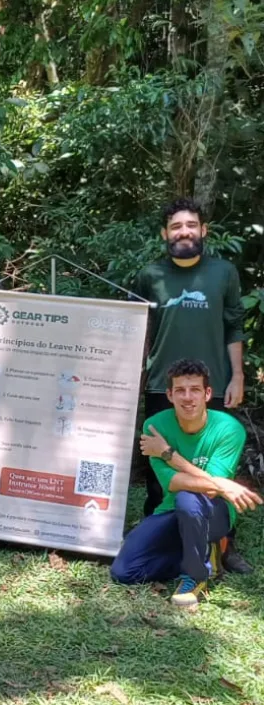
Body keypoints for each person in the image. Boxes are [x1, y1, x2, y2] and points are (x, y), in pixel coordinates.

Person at [133, 198, 249, 573]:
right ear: (165, 233)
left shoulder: (223, 273)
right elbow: (139, 331)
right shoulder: (150, 275)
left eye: (192, 225)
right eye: (177, 226)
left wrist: (237, 375)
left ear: (203, 231)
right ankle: (160, 530)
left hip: (209, 387)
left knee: (216, 469)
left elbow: (234, 325)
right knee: (157, 468)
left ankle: (223, 543)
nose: (184, 231)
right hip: (159, 385)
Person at [110, 359, 260, 608]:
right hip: (170, 509)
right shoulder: (155, 427)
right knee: (124, 571)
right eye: (180, 390)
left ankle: (196, 575)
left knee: (189, 498)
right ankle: (205, 553)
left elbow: (210, 489)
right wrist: (225, 485)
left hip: (213, 511)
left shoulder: (229, 429)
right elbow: (174, 482)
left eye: (195, 390)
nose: (187, 397)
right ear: (169, 395)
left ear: (207, 393)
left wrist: (169, 453)